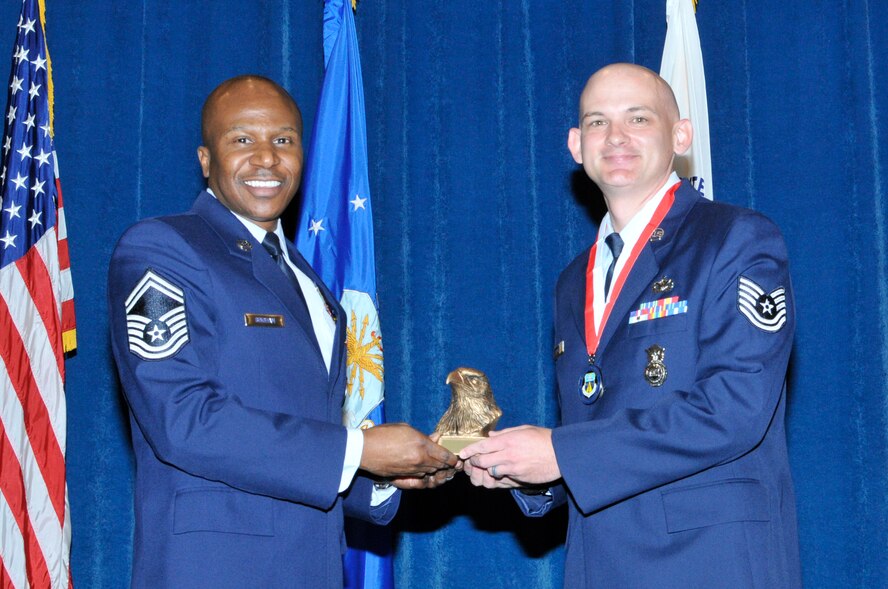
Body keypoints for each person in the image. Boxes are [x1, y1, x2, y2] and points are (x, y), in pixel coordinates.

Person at [108, 75, 458, 588]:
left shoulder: (307, 279)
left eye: (284, 140)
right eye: (243, 140)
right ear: (206, 160)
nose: (267, 158)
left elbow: (303, 432)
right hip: (212, 571)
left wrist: (383, 478)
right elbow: (184, 419)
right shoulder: (162, 250)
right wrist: (359, 451)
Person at [460, 63, 801, 588]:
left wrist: (560, 453)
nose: (615, 136)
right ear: (576, 145)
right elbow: (593, 424)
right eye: (597, 122)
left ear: (680, 136)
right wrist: (522, 472)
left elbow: (737, 408)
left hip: (710, 563)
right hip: (600, 563)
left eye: (638, 118)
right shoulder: (574, 279)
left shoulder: (735, 239)